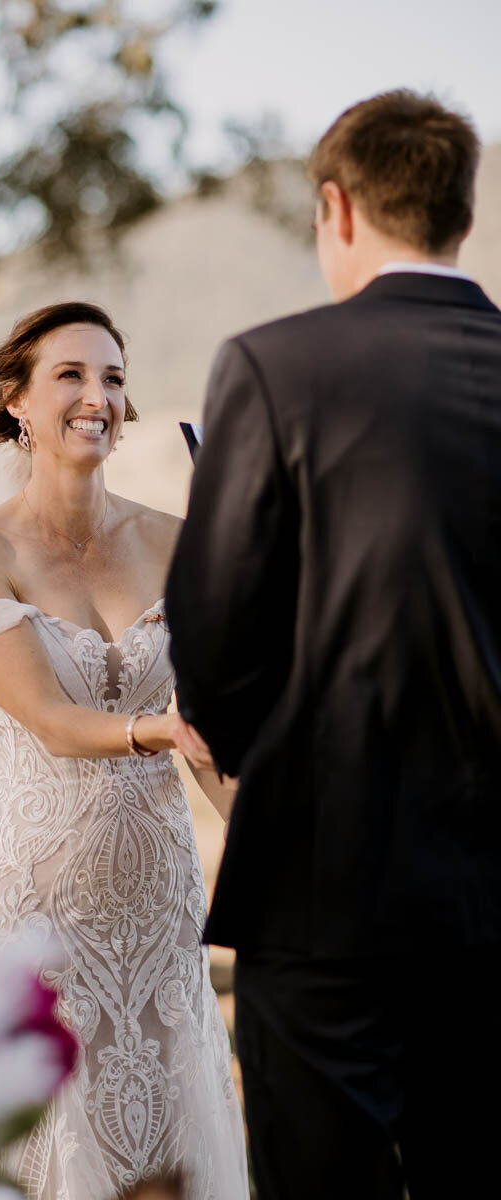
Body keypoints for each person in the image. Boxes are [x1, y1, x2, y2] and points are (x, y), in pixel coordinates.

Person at [166, 89, 501, 1199]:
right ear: (457, 214)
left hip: (325, 886)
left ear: (334, 208)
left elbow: (212, 648)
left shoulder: (276, 368)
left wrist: (293, 750)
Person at [0, 302, 247, 1198]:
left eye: (111, 377)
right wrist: (154, 727)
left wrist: (273, 836)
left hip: (159, 904)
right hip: (39, 905)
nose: (96, 396)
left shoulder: (177, 541)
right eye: (69, 374)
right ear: (16, 403)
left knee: (172, 1145)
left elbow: (213, 730)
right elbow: (45, 715)